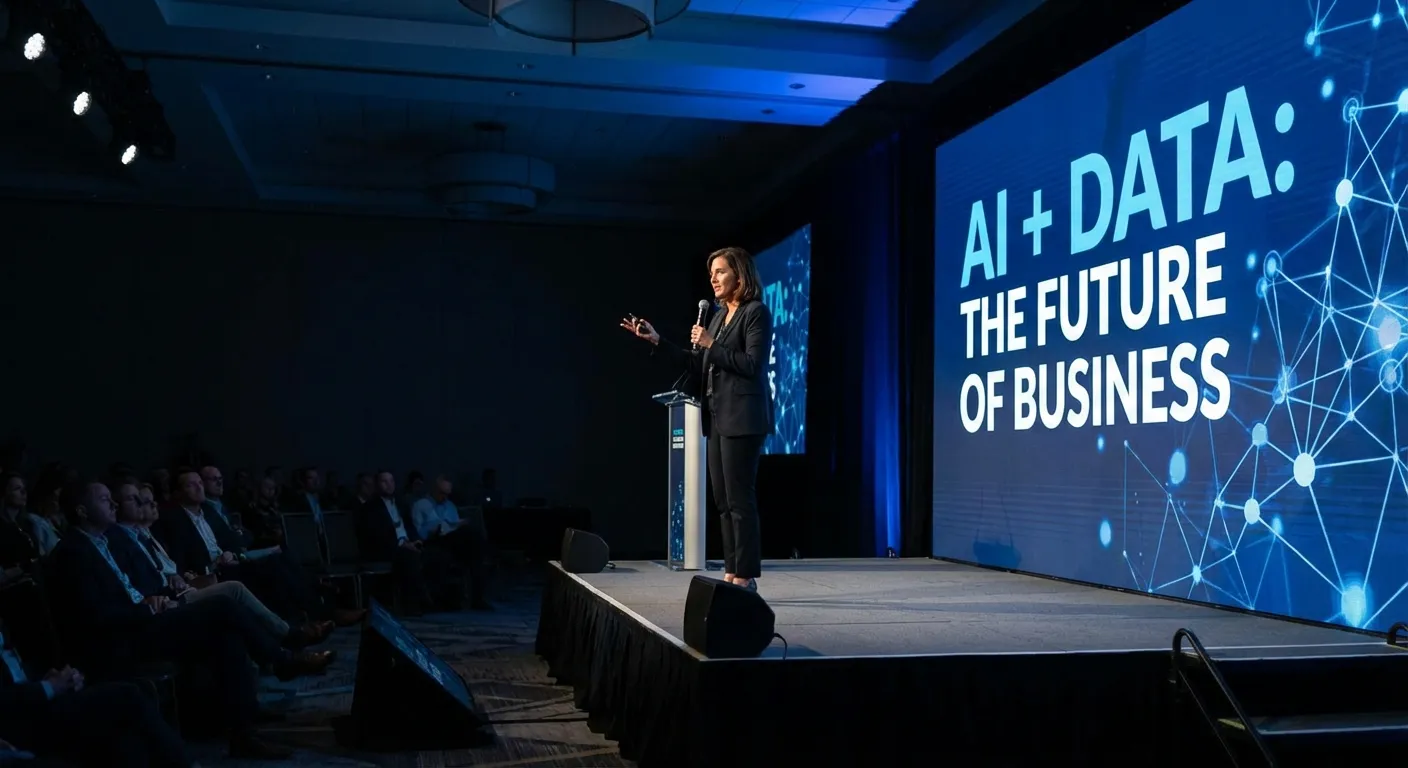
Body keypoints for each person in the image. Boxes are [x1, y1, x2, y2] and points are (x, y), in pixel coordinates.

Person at [620, 246, 774, 591]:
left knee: (739, 498)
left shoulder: (755, 313)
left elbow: (753, 365)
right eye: (711, 274)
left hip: (743, 417)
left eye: (720, 272)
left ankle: (746, 575)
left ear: (740, 274)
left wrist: (710, 344)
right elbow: (697, 364)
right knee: (722, 501)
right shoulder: (718, 318)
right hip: (717, 416)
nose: (714, 279)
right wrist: (658, 341)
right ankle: (732, 570)